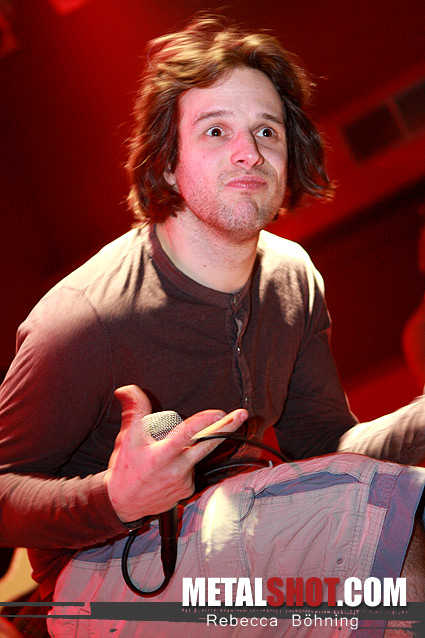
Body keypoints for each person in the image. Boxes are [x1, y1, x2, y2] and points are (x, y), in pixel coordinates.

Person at [1, 15, 425, 638]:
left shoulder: (293, 278)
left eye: (266, 131)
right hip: (100, 578)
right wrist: (115, 498)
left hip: (236, 528)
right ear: (168, 164)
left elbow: (325, 448)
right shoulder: (85, 319)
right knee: (386, 531)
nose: (248, 150)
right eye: (216, 130)